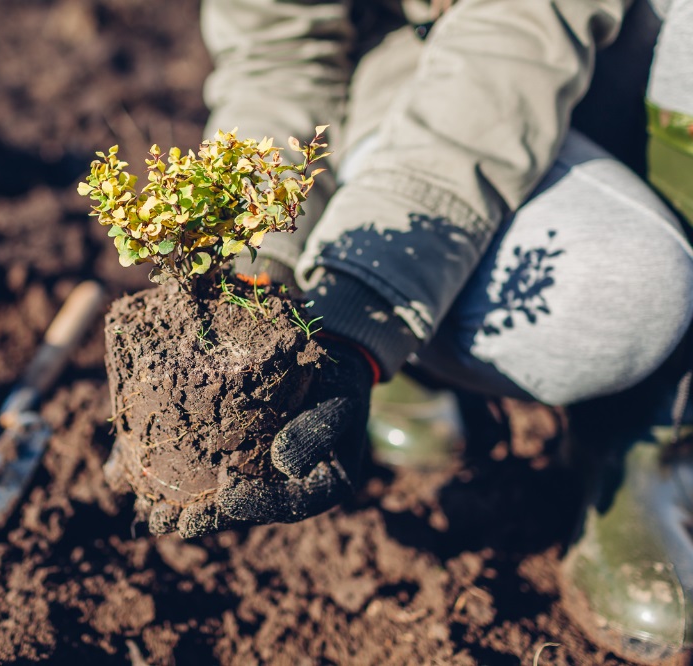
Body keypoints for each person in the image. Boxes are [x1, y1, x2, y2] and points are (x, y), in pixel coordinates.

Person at [108, 0, 693, 660]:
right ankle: (411, 358)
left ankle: (651, 437)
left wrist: (364, 303)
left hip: (562, 66)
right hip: (420, 86)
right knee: (607, 291)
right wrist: (259, 269)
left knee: (621, 285)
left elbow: (519, 26)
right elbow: (278, 59)